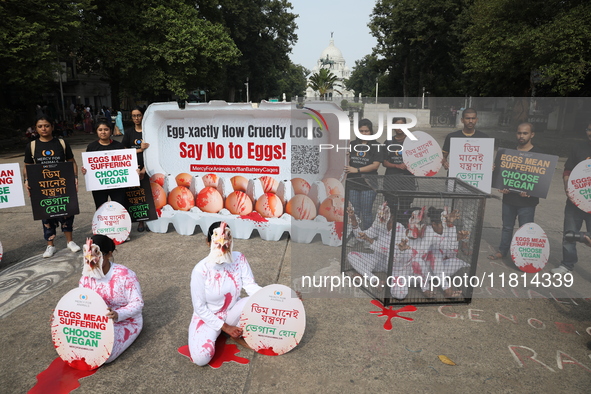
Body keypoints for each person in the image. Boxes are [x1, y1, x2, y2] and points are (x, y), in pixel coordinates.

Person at [188, 222, 262, 366]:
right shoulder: (200, 270)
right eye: (217, 238)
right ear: (208, 242)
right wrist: (226, 327)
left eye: (227, 238)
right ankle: (221, 331)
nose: (223, 244)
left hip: (233, 310)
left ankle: (233, 328)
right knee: (201, 359)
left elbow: (250, 286)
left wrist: (281, 297)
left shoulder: (239, 258)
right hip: (209, 316)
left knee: (257, 311)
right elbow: (200, 308)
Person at [79, 234, 143, 363]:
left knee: (104, 355)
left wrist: (117, 314)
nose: (90, 259)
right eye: (87, 253)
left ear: (108, 254)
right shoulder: (86, 277)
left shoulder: (124, 275)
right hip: (96, 322)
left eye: (96, 253)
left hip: (125, 321)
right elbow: (81, 302)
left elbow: (137, 303)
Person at [23, 117, 81, 258]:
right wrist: (26, 180)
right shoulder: (32, 146)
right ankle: (50, 246)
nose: (44, 129)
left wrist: (75, 178)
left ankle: (70, 241)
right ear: (36, 129)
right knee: (46, 214)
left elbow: (72, 163)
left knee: (66, 211)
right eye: (40, 126)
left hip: (62, 185)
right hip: (42, 187)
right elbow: (28, 167)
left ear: (52, 127)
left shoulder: (61, 143)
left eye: (47, 125)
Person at [489, 123, 542, 260]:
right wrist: (500, 183)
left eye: (525, 133)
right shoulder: (508, 153)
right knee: (507, 227)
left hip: (528, 201)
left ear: (532, 135)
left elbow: (541, 179)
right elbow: (503, 174)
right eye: (519, 133)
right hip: (509, 198)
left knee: (526, 230)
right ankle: (503, 250)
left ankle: (522, 255)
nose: (521, 136)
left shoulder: (539, 154)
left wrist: (533, 191)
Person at [346, 202, 413, 299]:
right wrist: (353, 219)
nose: (381, 217)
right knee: (351, 255)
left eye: (384, 214)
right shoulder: (379, 224)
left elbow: (386, 250)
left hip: (393, 265)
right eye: (380, 214)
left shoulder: (399, 229)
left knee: (399, 295)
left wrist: (369, 239)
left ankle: (364, 272)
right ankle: (375, 280)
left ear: (392, 217)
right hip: (378, 260)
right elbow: (360, 237)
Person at [551, 121, 591, 274]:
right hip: (574, 201)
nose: (590, 133)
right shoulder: (578, 147)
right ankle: (567, 264)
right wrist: (567, 186)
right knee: (569, 232)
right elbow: (568, 170)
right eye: (589, 130)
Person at [344, 118, 382, 230]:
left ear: (371, 132)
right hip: (353, 183)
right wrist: (346, 157)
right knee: (354, 212)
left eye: (366, 131)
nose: (364, 133)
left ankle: (366, 236)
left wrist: (358, 170)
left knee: (366, 213)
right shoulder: (352, 144)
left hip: (369, 185)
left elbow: (375, 165)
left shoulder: (376, 146)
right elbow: (346, 161)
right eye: (361, 131)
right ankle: (353, 235)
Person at [81, 121, 128, 209]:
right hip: (99, 185)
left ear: (110, 131)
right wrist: (85, 170)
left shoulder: (119, 146)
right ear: (96, 131)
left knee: (119, 207)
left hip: (117, 185)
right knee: (100, 208)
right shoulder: (92, 147)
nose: (103, 132)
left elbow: (126, 163)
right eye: (100, 130)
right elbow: (89, 165)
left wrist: (132, 169)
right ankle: (101, 223)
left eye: (106, 129)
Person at [383, 117, 415, 225]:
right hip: (391, 180)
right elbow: (384, 162)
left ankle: (404, 230)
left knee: (405, 207)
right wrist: (396, 166)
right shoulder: (388, 141)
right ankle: (391, 233)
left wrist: (411, 164)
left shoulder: (412, 141)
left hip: (408, 181)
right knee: (392, 207)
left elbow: (420, 159)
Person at [123, 107, 150, 232]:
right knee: (137, 196)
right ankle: (140, 222)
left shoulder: (149, 131)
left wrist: (145, 169)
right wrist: (140, 149)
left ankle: (151, 221)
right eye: (134, 116)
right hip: (133, 169)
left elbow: (154, 151)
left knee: (150, 195)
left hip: (148, 168)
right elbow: (124, 152)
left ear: (143, 116)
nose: (136, 118)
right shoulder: (128, 133)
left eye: (138, 115)